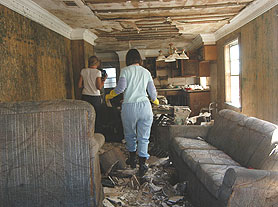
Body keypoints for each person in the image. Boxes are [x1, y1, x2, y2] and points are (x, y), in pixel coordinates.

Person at [105, 49, 159, 177]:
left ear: (128, 59)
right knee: (144, 137)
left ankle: (133, 160)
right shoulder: (146, 72)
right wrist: (155, 100)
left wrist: (110, 95)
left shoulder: (125, 70)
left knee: (130, 135)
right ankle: (142, 165)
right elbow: (152, 92)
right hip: (145, 107)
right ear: (139, 59)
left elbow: (120, 88)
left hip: (129, 107)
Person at [78, 56, 107, 133]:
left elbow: (79, 85)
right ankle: (96, 133)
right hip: (95, 98)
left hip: (85, 96)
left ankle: (86, 133)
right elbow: (99, 87)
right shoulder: (97, 72)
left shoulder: (83, 71)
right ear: (97, 63)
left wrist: (87, 86)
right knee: (96, 116)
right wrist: (104, 80)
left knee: (86, 116)